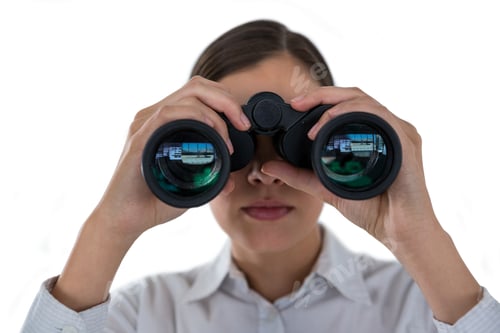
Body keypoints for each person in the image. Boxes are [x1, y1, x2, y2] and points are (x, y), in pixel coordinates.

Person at [21, 19, 500, 333]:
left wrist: (417, 235)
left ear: (327, 135)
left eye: (298, 148)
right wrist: (112, 222)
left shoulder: (424, 306)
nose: (266, 176)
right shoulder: (142, 314)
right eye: (230, 147)